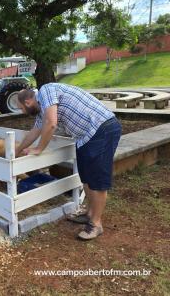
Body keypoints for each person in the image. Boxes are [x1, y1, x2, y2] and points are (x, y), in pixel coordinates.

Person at [15, 83, 121, 240]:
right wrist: (16, 152)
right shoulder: (41, 111)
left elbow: (51, 124)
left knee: (97, 181)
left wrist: (39, 149)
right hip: (85, 137)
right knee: (86, 178)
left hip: (101, 128)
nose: (22, 112)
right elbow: (34, 132)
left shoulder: (46, 91)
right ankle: (90, 214)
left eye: (21, 108)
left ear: (28, 102)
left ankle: (96, 224)